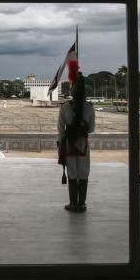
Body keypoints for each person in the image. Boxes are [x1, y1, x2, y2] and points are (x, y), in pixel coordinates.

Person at [57, 71, 95, 213]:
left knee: (72, 174)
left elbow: (61, 130)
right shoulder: (89, 107)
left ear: (72, 89)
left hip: (69, 144)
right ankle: (82, 204)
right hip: (83, 144)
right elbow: (91, 129)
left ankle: (73, 203)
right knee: (84, 174)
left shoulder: (65, 107)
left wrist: (60, 145)